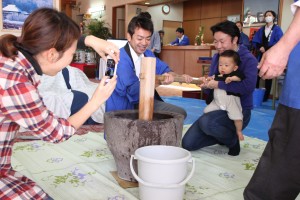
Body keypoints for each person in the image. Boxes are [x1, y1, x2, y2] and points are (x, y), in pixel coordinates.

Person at [0, 8, 119, 199]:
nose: (72, 58)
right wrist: (96, 99)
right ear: (52, 54)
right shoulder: (17, 83)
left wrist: (90, 40)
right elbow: (56, 133)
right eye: (72, 53)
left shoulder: (11, 54)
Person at [244, 1, 300, 199]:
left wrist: (282, 47)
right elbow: (257, 41)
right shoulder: (262, 30)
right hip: (268, 54)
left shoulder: (277, 29)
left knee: (288, 149)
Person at [181, 20, 258, 156]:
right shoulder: (217, 57)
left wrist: (218, 84)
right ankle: (223, 134)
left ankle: (232, 140)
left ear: (235, 39)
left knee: (207, 122)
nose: (218, 46)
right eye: (215, 42)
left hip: (239, 111)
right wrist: (205, 83)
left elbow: (248, 87)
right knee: (188, 143)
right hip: (218, 107)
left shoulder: (248, 59)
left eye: (222, 41)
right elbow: (212, 84)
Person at [105, 15, 192, 119]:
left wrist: (175, 76)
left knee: (179, 114)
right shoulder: (115, 58)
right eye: (140, 38)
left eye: (148, 39)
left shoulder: (148, 54)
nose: (144, 43)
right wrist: (158, 81)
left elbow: (165, 69)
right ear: (129, 36)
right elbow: (133, 92)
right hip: (123, 107)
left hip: (145, 101)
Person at [203, 50, 245, 141]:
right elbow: (211, 81)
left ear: (234, 68)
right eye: (220, 65)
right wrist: (208, 80)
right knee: (206, 111)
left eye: (226, 65)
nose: (223, 67)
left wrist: (231, 78)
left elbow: (240, 77)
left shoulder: (234, 74)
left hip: (230, 101)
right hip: (217, 101)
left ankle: (239, 131)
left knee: (237, 117)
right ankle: (217, 124)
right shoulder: (217, 75)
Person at [252, 10, 283, 102]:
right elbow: (255, 40)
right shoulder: (261, 29)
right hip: (261, 55)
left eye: (269, 15)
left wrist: (268, 48)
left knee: (268, 75)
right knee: (257, 74)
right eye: (266, 15)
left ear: (273, 17)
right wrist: (260, 47)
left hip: (271, 55)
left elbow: (280, 42)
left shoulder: (277, 29)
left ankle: (265, 97)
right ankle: (255, 94)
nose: (267, 17)